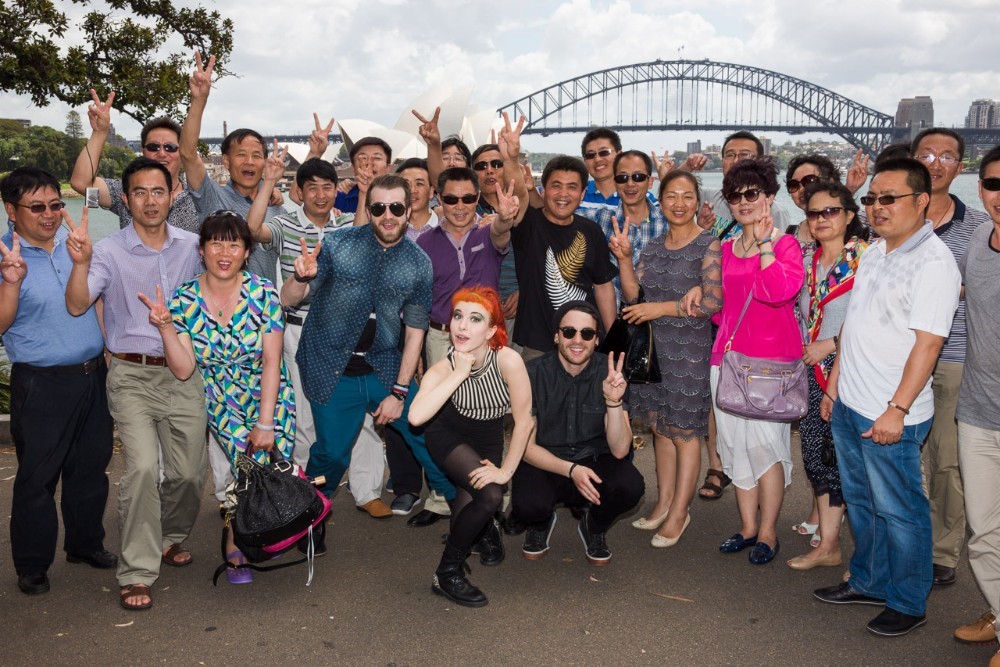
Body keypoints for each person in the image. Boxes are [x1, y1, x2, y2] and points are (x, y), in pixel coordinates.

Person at [814, 157, 961, 637]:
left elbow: (929, 344)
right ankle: (870, 581)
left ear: (921, 202)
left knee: (900, 509)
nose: (877, 207)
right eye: (871, 198)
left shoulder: (935, 262)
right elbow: (853, 328)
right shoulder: (875, 250)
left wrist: (896, 410)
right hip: (852, 404)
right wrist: (835, 388)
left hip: (889, 414)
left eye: (888, 198)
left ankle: (907, 600)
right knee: (862, 502)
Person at [65, 157, 207, 612]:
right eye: (140, 193)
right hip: (130, 374)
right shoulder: (108, 251)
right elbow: (78, 304)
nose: (150, 201)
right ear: (126, 200)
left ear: (174, 194)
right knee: (143, 468)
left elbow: (225, 281)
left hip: (184, 372)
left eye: (159, 191)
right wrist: (80, 264)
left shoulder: (193, 246)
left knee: (188, 473)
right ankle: (137, 570)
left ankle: (168, 536)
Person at [280, 173, 455, 542]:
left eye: (396, 207)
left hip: (384, 366)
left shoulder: (419, 263)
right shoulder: (339, 244)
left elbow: (415, 331)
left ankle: (463, 505)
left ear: (409, 210)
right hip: (331, 366)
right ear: (369, 209)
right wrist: (299, 277)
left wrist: (399, 391)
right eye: (379, 207)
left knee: (425, 433)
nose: (388, 215)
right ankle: (311, 519)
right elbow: (288, 300)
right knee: (330, 453)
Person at [141, 212, 294, 584]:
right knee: (245, 471)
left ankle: (270, 527)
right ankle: (235, 538)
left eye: (234, 244)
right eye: (216, 242)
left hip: (267, 394)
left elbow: (273, 361)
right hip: (219, 399)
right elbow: (182, 368)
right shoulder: (186, 298)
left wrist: (265, 420)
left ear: (246, 252)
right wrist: (165, 328)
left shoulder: (263, 293)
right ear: (202, 249)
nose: (224, 251)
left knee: (271, 467)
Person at [250, 151, 391, 522]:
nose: (320, 195)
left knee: (360, 415)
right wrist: (268, 180)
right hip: (299, 330)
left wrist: (363, 191)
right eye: (312, 188)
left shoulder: (345, 222)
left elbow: (363, 239)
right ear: (300, 191)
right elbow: (251, 231)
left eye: (327, 187)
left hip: (346, 335)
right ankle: (308, 494)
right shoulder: (283, 224)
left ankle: (367, 490)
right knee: (303, 416)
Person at [1, 167, 115, 596]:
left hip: (92, 374)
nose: (49, 214)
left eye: (55, 204)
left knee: (90, 470)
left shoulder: (76, 247)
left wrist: (106, 347)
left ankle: (86, 545)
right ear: (11, 209)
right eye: (36, 207)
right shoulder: (5, 257)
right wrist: (11, 283)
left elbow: (97, 300)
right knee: (37, 478)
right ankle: (32, 564)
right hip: (42, 383)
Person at [699, 157, 804, 565]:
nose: (743, 201)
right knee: (732, 446)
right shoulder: (723, 249)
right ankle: (746, 526)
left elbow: (778, 291)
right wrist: (699, 299)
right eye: (735, 195)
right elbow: (720, 308)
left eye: (752, 193)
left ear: (769, 197)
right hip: (725, 359)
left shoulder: (784, 244)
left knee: (766, 449)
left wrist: (763, 246)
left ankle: (768, 532)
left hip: (769, 365)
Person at [611, 170, 721, 547]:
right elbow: (633, 295)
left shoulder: (708, 244)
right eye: (671, 196)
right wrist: (625, 258)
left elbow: (711, 302)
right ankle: (663, 503)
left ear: (697, 201)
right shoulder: (655, 245)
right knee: (660, 428)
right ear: (661, 200)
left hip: (689, 354)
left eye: (687, 196)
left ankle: (680, 513)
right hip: (657, 351)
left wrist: (661, 308)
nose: (679, 204)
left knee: (685, 434)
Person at [408, 287, 532, 607]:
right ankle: (447, 573)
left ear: (491, 330)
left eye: (475, 319)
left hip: (487, 437)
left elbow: (524, 421)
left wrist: (506, 471)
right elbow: (417, 417)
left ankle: (485, 530)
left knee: (471, 509)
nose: (462, 326)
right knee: (489, 495)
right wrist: (459, 373)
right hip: (448, 435)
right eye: (458, 317)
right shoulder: (445, 366)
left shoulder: (508, 360)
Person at [910, 128, 991, 588]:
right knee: (897, 455)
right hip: (900, 356)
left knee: (945, 460)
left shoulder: (980, 225)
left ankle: (942, 551)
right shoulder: (896, 215)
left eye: (947, 156)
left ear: (960, 167)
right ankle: (903, 540)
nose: (936, 162)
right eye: (927, 154)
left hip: (955, 356)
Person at [509, 301, 643, 565]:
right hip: (546, 461)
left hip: (594, 460)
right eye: (569, 332)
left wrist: (614, 401)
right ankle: (541, 521)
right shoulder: (532, 373)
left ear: (596, 340)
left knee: (631, 487)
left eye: (587, 334)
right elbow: (525, 447)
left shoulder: (610, 371)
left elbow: (620, 449)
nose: (577, 340)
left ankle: (593, 526)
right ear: (556, 336)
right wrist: (571, 470)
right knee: (527, 504)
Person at [787, 181, 868, 571]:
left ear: (850, 215)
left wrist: (831, 343)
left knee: (842, 461)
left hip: (852, 375)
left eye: (831, 211)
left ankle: (832, 546)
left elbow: (879, 321)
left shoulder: (868, 260)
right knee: (818, 458)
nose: (821, 219)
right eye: (813, 213)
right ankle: (829, 542)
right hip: (811, 374)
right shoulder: (806, 260)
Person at [952, 146, 1000, 661]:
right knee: (984, 529)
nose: (999, 195)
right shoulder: (979, 247)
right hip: (980, 409)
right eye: (992, 184)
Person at [179, 53, 283, 283]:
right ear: (226, 161)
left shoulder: (278, 210)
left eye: (256, 156)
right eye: (241, 155)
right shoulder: (212, 196)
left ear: (265, 163)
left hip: (261, 310)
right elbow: (187, 153)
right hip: (216, 309)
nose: (249, 161)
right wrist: (199, 101)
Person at [507, 155, 618, 360]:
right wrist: (510, 156)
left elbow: (603, 286)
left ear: (583, 193)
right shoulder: (528, 224)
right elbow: (518, 190)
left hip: (583, 341)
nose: (563, 194)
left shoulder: (591, 231)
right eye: (556, 186)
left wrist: (613, 338)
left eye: (572, 187)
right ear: (543, 189)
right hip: (537, 345)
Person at [70, 90, 199, 232]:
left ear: (181, 152)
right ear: (143, 152)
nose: (162, 153)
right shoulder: (125, 191)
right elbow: (81, 183)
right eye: (153, 147)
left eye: (170, 147)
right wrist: (99, 132)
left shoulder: (199, 198)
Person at [591, 150, 669, 300]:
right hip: (612, 319)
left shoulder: (668, 223)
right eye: (622, 178)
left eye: (638, 177)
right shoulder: (600, 218)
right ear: (615, 182)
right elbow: (556, 214)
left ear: (650, 181)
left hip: (658, 317)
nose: (630, 184)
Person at [699, 131, 793, 240]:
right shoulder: (708, 198)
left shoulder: (775, 211)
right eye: (729, 155)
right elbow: (676, 189)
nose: (736, 160)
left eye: (744, 154)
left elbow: (779, 248)